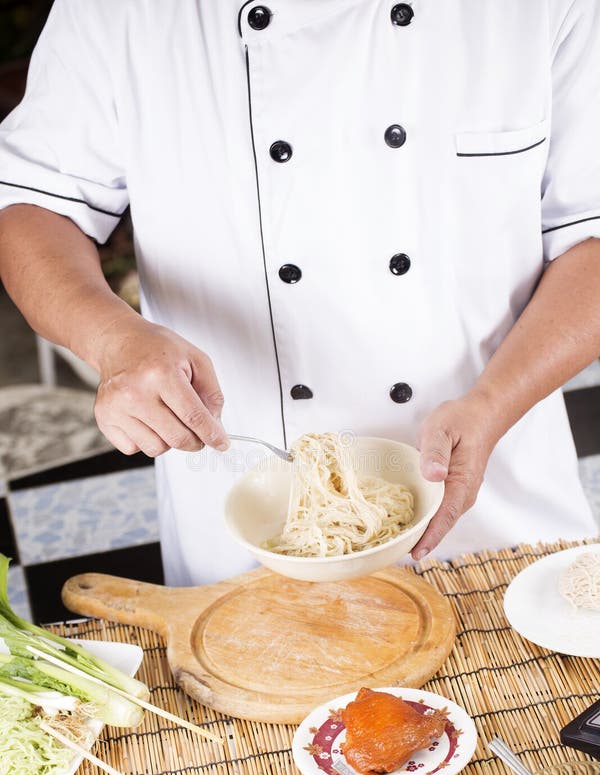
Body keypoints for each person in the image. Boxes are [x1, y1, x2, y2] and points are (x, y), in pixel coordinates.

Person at [0, 0, 599, 587]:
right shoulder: (121, 10)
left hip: (496, 514)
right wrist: (113, 339)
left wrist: (494, 405)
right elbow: (31, 204)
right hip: (255, 524)